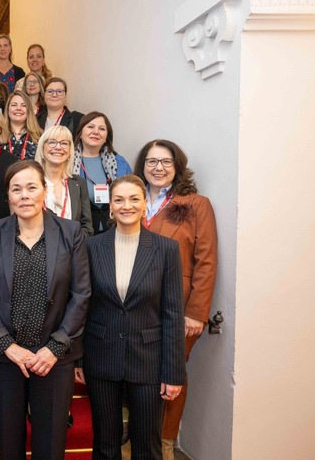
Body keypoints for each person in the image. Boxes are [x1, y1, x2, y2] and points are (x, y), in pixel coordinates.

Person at [0, 160, 91, 460]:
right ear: (8, 196)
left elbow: (81, 294)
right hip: (7, 357)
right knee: (9, 444)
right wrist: (6, 345)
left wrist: (55, 347)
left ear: (44, 190)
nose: (24, 195)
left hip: (54, 357)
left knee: (51, 444)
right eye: (16, 189)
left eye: (31, 187)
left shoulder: (70, 232)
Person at [80, 174, 185, 460]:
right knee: (105, 443)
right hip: (101, 356)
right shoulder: (92, 247)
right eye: (119, 200)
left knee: (147, 445)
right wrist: (78, 359)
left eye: (134, 199)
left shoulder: (166, 249)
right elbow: (82, 305)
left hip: (149, 361)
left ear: (144, 204)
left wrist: (173, 372)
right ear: (110, 207)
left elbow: (173, 313)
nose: (127, 206)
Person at [133, 139, 218, 460]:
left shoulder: (196, 204)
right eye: (151, 161)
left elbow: (206, 261)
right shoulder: (133, 199)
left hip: (176, 308)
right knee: (140, 375)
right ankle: (140, 438)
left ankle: (165, 441)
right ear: (142, 166)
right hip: (135, 307)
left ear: (177, 166)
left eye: (166, 162)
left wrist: (196, 312)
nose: (158, 168)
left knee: (171, 374)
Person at [74, 111, 133, 234]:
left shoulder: (119, 162)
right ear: (80, 133)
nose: (96, 132)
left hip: (116, 230)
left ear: (106, 137)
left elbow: (132, 194)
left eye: (102, 129)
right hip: (80, 233)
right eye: (90, 127)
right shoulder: (67, 162)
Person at [34, 125, 94, 237]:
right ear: (42, 148)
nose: (58, 147)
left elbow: (87, 227)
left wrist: (71, 243)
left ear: (70, 151)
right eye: (52, 142)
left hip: (72, 246)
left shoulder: (79, 183)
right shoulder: (32, 181)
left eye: (64, 143)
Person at [4, 90, 42, 160]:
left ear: (29, 110)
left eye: (23, 105)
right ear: (7, 109)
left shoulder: (40, 136)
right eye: (14, 105)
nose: (18, 108)